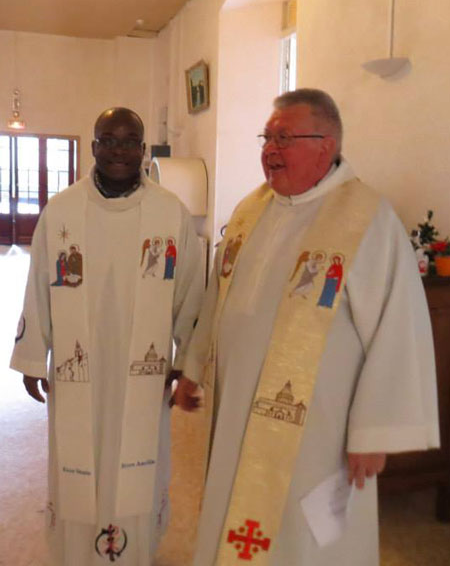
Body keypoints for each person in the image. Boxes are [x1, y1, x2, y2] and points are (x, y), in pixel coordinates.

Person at [175, 89, 440, 565]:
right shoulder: (251, 209)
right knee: (234, 509)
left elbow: (398, 331)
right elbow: (220, 297)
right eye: (267, 138)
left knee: (306, 536)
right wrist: (194, 367)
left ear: (326, 146)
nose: (270, 150)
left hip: (319, 428)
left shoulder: (367, 219)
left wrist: (373, 432)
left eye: (284, 138)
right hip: (237, 407)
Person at [10, 107, 203, 566]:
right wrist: (34, 357)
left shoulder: (169, 212)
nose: (119, 150)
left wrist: (185, 362)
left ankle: (134, 548)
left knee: (139, 461)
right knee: (77, 460)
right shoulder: (62, 211)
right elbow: (39, 286)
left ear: (143, 149)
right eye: (108, 140)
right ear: (94, 146)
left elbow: (191, 291)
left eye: (129, 140)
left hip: (145, 371)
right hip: (78, 369)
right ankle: (77, 551)